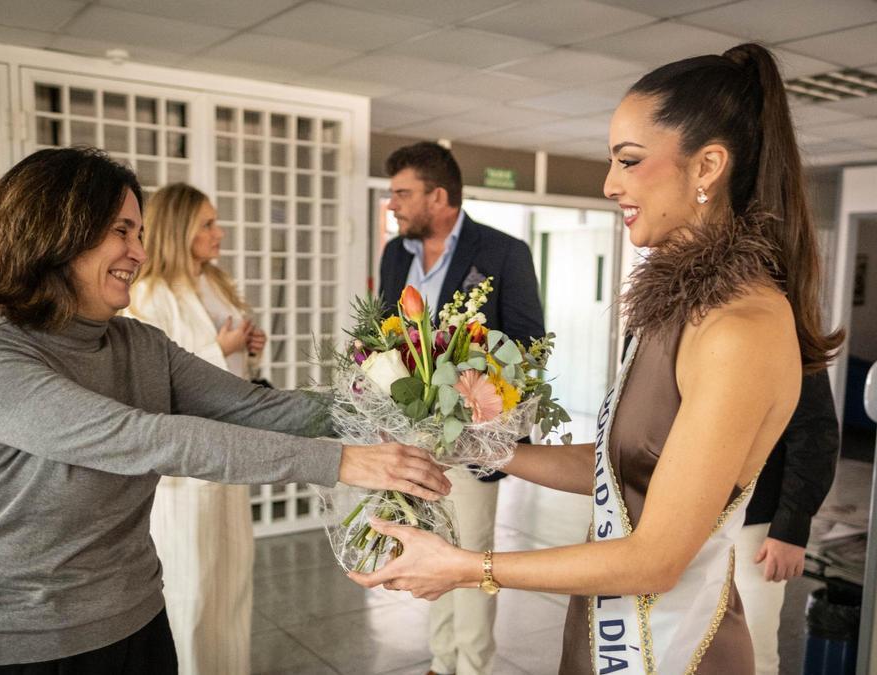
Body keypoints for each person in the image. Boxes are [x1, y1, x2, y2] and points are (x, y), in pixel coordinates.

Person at [350, 43, 844, 675]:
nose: (610, 183)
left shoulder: (739, 328)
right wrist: (486, 449)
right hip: (612, 630)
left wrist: (468, 569)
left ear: (708, 166)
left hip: (676, 651)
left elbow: (656, 560)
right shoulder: (675, 310)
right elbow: (625, 467)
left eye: (629, 161)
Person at [0, 146, 451, 674]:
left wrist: (410, 401)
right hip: (12, 646)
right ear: (56, 232)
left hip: (135, 623)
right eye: (120, 231)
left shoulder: (140, 345)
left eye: (140, 234)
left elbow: (256, 407)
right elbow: (146, 438)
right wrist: (339, 461)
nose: (138, 253)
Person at [379, 141, 545, 675]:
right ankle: (440, 661)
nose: (393, 205)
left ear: (440, 196)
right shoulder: (393, 255)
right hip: (411, 440)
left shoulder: (503, 252)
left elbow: (527, 344)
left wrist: (471, 379)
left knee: (470, 553)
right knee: (429, 544)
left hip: (473, 435)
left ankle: (471, 667)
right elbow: (380, 336)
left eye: (403, 194)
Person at [122, 183, 267, 675]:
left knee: (233, 576)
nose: (218, 232)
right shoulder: (147, 294)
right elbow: (150, 379)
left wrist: (247, 349)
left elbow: (232, 372)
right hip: (185, 465)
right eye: (207, 223)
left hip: (230, 446)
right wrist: (219, 350)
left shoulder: (216, 283)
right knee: (192, 584)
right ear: (178, 229)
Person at [736, 369, 839, 674]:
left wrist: (790, 528)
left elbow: (815, 431)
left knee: (752, 655)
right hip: (677, 519)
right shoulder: (662, 323)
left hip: (753, 526)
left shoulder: (784, 323)